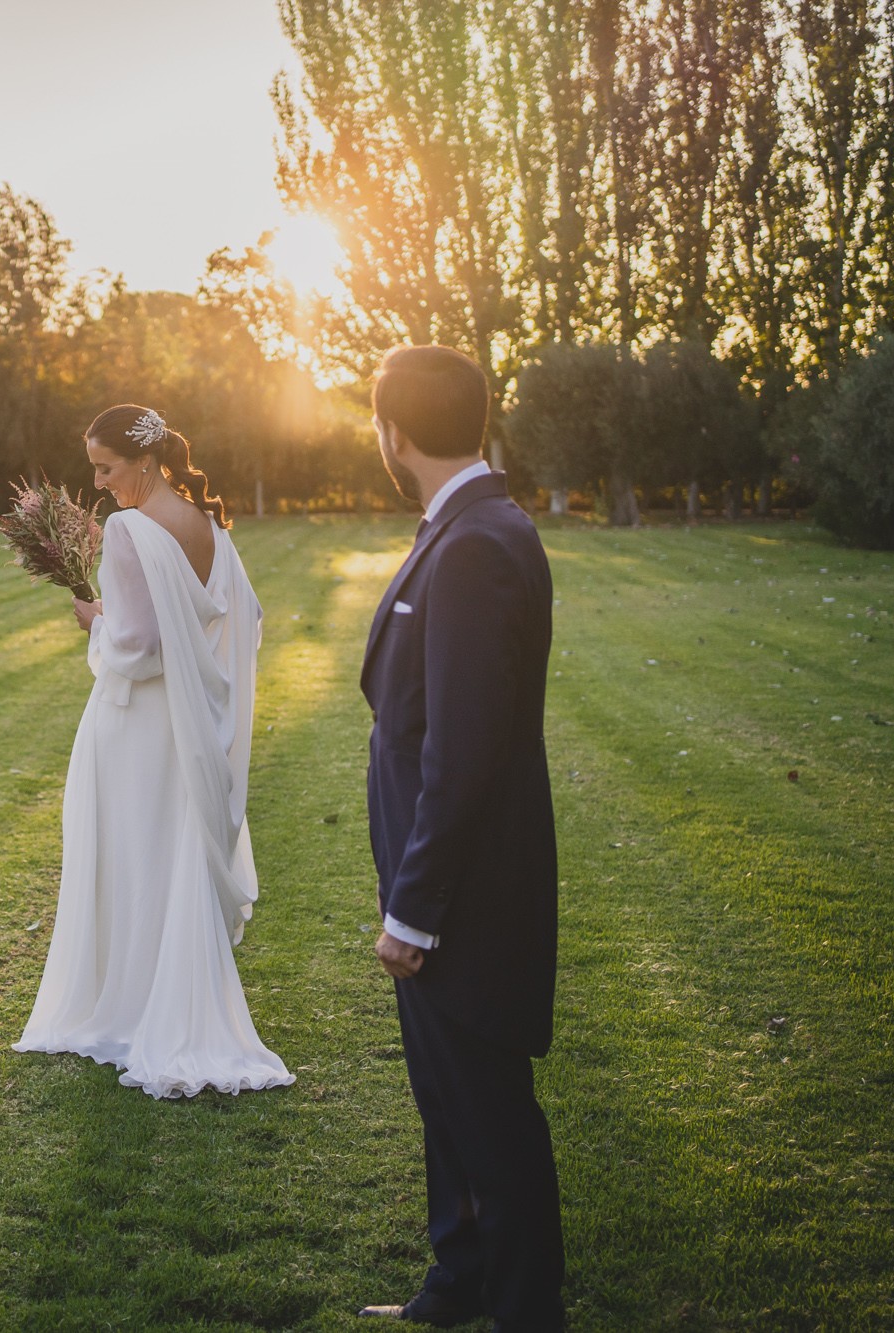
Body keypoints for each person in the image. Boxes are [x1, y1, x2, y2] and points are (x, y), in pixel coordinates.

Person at [354, 346, 565, 1329]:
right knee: (449, 1108)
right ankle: (455, 1286)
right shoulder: (468, 525)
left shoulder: (477, 542)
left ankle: (525, 1312)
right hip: (441, 882)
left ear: (392, 432)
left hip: (461, 896)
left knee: (489, 1123)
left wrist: (413, 909)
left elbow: (464, 750)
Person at [12, 404, 293, 1100]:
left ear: (142, 461)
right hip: (184, 731)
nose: (101, 484)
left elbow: (136, 652)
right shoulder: (208, 526)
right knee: (160, 860)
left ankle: (127, 1010)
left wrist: (96, 619)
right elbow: (244, 620)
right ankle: (149, 1005)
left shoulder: (131, 530)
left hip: (136, 727)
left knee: (127, 858)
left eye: (105, 468)